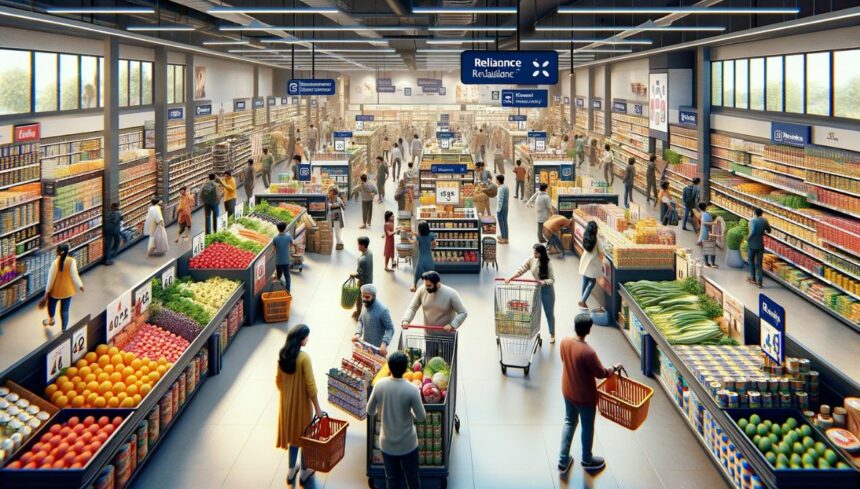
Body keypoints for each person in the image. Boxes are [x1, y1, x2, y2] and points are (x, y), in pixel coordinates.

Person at [558, 314, 620, 474]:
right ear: (589, 330)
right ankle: (587, 459)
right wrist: (614, 368)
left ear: (575, 326)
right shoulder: (588, 352)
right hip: (585, 397)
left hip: (567, 390)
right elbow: (601, 373)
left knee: (569, 421)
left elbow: (564, 361)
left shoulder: (564, 342)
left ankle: (563, 460)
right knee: (587, 427)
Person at [366, 351, 426, 489]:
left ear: (390, 367)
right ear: (406, 368)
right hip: (408, 444)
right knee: (412, 480)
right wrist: (410, 411)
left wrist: (382, 409)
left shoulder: (379, 385)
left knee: (392, 480)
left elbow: (370, 410)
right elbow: (421, 416)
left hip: (387, 444)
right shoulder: (412, 389)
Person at [276, 324, 322, 485]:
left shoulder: (283, 355)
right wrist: (318, 408)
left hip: (286, 405)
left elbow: (279, 382)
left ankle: (290, 471)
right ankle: (304, 472)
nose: (308, 339)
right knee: (304, 438)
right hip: (302, 406)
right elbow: (311, 386)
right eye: (307, 337)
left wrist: (289, 392)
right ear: (301, 339)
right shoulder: (304, 358)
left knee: (293, 439)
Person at [507, 244, 557, 343]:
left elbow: (552, 280)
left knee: (549, 313)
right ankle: (532, 331)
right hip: (537, 289)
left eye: (536, 253)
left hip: (547, 291)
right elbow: (522, 269)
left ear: (541, 254)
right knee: (534, 312)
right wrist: (511, 277)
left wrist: (543, 282)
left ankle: (552, 334)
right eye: (533, 252)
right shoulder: (531, 259)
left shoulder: (548, 263)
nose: (534, 254)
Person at [402, 271, 467, 333]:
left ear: (437, 283)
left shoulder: (451, 293)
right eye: (425, 285)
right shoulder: (422, 290)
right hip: (428, 334)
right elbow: (412, 308)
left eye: (429, 285)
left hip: (447, 336)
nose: (426, 288)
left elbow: (463, 312)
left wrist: (452, 325)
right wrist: (406, 320)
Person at [41, 243, 83, 331]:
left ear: (58, 252)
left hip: (56, 291)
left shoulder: (55, 263)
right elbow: (74, 275)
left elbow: (50, 279)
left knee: (51, 305)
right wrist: (80, 285)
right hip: (68, 290)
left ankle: (51, 320)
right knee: (65, 310)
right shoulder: (72, 261)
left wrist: (47, 291)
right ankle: (64, 329)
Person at [354, 284, 395, 355]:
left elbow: (390, 328)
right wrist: (358, 333)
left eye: (367, 297)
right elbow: (360, 320)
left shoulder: (383, 310)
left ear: (374, 296)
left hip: (377, 350)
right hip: (365, 347)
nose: (364, 299)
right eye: (363, 296)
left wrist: (384, 343)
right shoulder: (365, 305)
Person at [578, 221, 604, 308]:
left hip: (585, 261)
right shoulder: (597, 240)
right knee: (592, 282)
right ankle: (582, 300)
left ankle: (582, 300)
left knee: (585, 281)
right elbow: (601, 253)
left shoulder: (585, 237)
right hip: (593, 264)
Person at [747, 208, 772, 288]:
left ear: (754, 213)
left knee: (751, 260)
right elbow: (769, 231)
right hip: (760, 245)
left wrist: (748, 238)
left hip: (752, 244)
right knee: (759, 264)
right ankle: (760, 283)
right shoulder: (765, 221)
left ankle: (752, 278)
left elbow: (752, 231)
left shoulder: (752, 221)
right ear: (761, 214)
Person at [410, 221, 436, 292]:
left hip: (421, 259)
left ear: (420, 230)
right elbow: (434, 245)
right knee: (431, 273)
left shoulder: (419, 237)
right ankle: (433, 286)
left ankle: (415, 286)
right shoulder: (432, 235)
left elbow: (417, 243)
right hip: (429, 259)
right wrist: (432, 245)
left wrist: (411, 240)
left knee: (417, 273)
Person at [352, 236, 373, 320]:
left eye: (359, 245)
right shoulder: (370, 253)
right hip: (369, 279)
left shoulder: (362, 260)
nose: (358, 246)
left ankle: (359, 314)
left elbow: (359, 275)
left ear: (363, 246)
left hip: (363, 282)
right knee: (367, 297)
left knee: (359, 299)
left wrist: (353, 275)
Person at [273, 222, 295, 291]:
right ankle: (288, 290)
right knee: (287, 276)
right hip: (286, 260)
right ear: (285, 228)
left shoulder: (275, 238)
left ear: (277, 229)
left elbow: (273, 250)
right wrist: (288, 247)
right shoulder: (288, 236)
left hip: (278, 261)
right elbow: (292, 243)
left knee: (279, 275)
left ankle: (278, 289)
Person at [699, 203, 718, 268]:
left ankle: (707, 263)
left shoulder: (702, 214)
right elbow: (705, 223)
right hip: (708, 233)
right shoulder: (706, 215)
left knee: (705, 249)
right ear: (705, 207)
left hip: (704, 233)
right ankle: (712, 263)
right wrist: (713, 223)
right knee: (711, 248)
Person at [327, 186, 346, 250]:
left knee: (337, 233)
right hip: (334, 219)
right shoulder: (330, 199)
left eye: (329, 192)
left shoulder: (338, 199)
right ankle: (339, 243)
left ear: (333, 193)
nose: (328, 193)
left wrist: (330, 205)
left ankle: (340, 243)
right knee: (336, 233)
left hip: (338, 219)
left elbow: (341, 207)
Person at [496, 174, 509, 244]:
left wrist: (498, 210)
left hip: (501, 208)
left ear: (498, 180)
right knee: (505, 222)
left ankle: (504, 239)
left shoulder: (501, 189)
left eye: (496, 180)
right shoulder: (506, 187)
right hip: (506, 206)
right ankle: (505, 236)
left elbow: (500, 200)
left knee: (501, 223)